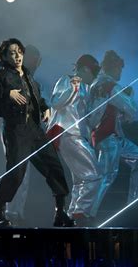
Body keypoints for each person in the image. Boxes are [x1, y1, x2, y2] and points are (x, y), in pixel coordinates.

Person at [0, 38, 73, 228]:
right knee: (16, 171)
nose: (17, 56)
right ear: (4, 56)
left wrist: (45, 107)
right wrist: (7, 93)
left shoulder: (28, 76)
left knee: (54, 166)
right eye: (12, 53)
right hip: (16, 128)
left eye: (19, 52)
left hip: (35, 130)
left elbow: (37, 96)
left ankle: (60, 212)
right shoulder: (0, 75)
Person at [0, 44, 42, 225]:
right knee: (18, 164)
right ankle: (6, 212)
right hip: (9, 120)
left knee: (23, 167)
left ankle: (13, 212)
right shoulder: (1, 68)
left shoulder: (28, 76)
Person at [88, 50, 138, 216]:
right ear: (113, 67)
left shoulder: (97, 84)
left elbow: (117, 114)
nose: (121, 72)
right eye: (119, 68)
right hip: (107, 137)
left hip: (112, 136)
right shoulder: (110, 86)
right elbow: (130, 111)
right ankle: (87, 214)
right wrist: (129, 96)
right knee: (106, 176)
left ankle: (134, 204)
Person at [46, 54, 102, 226]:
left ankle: (72, 216)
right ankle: (80, 212)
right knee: (94, 175)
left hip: (77, 134)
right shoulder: (67, 80)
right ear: (85, 69)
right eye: (93, 73)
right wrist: (73, 89)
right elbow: (55, 102)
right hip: (68, 133)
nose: (94, 78)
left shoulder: (86, 88)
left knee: (81, 178)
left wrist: (100, 100)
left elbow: (89, 119)